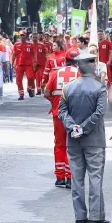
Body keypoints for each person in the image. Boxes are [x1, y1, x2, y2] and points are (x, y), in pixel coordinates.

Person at [57, 51, 108, 223]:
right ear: (92, 65)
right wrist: (84, 128)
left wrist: (74, 127)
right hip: (94, 140)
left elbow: (61, 112)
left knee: (77, 179)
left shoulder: (68, 87)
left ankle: (80, 215)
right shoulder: (100, 87)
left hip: (73, 140)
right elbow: (100, 112)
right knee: (95, 178)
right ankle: (95, 216)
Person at [44, 50, 80, 188]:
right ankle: (70, 177)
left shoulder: (55, 73)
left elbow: (47, 93)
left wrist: (55, 102)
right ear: (77, 61)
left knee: (59, 145)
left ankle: (60, 177)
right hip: (74, 115)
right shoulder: (79, 74)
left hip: (58, 114)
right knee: (73, 145)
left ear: (65, 60)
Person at [13, 31, 36, 100]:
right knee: (18, 80)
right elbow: (14, 54)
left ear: (26, 36)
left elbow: (34, 54)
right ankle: (21, 94)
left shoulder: (30, 44)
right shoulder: (16, 44)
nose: (22, 36)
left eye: (23, 35)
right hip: (19, 64)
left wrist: (35, 61)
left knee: (30, 77)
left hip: (28, 64)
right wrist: (12, 63)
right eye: (21, 35)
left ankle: (29, 89)